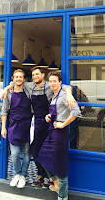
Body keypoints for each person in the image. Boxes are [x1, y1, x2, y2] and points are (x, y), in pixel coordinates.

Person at [1, 66, 75, 189]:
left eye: (37, 74)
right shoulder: (29, 86)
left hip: (50, 121)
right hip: (36, 122)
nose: (35, 76)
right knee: (35, 151)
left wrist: (69, 94)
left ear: (42, 75)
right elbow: (14, 82)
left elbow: (66, 86)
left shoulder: (50, 85)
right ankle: (41, 175)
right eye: (33, 75)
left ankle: (51, 179)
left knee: (49, 151)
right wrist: (6, 88)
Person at [37, 71, 81, 200]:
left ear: (60, 82)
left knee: (60, 165)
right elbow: (57, 111)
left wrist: (63, 124)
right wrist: (49, 116)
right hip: (52, 132)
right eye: (50, 81)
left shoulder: (64, 95)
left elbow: (76, 111)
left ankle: (63, 196)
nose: (52, 83)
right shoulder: (54, 95)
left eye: (54, 81)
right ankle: (55, 183)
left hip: (60, 134)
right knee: (42, 157)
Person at [1, 69, 33, 189]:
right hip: (13, 126)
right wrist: (3, 127)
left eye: (21, 77)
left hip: (26, 125)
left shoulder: (28, 90)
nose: (18, 79)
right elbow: (4, 111)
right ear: (13, 79)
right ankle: (17, 174)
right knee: (14, 154)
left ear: (24, 79)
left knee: (26, 153)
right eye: (16, 77)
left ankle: (23, 175)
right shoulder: (8, 93)